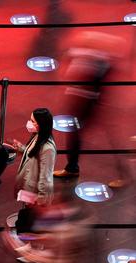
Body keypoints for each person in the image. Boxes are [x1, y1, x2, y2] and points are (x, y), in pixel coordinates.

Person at [53, 31, 124, 178]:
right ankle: (72, 168)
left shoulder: (96, 60)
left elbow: (78, 78)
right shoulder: (88, 57)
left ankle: (124, 172)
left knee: (84, 134)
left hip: (87, 104)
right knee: (78, 134)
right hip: (85, 103)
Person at [11, 108, 56, 234]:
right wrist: (21, 149)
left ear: (40, 124)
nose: (29, 123)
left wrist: (40, 200)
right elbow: (33, 155)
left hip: (35, 195)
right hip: (29, 191)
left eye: (32, 121)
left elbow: (45, 176)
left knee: (29, 224)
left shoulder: (48, 148)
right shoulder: (37, 137)